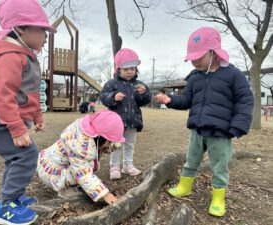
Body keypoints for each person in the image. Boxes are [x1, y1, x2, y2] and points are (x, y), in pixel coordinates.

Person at [155, 27, 254, 217]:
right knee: (191, 160)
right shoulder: (195, 77)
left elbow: (245, 100)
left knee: (220, 165)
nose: (194, 61)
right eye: (192, 57)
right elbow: (186, 100)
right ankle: (185, 186)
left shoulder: (233, 75)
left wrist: (237, 126)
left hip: (221, 132)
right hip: (197, 130)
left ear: (213, 52)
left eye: (199, 56)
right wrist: (170, 101)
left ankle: (218, 198)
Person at [0, 0, 56, 224]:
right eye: (42, 30)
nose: (46, 37)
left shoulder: (22, 53)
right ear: (21, 29)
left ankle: (13, 197)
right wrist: (17, 128)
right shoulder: (9, 55)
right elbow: (4, 95)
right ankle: (5, 209)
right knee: (25, 155)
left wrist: (37, 115)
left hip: (5, 121)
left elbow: (30, 92)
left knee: (16, 158)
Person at [37, 109, 125, 204]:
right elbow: (82, 172)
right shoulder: (79, 146)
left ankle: (75, 184)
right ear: (100, 137)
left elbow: (105, 146)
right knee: (84, 171)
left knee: (87, 169)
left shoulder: (89, 132)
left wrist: (114, 144)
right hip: (51, 172)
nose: (110, 145)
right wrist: (104, 194)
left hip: (55, 163)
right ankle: (64, 190)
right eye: (109, 142)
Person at [100, 48, 151, 180]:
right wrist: (113, 97)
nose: (129, 71)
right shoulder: (112, 83)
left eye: (132, 68)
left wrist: (143, 93)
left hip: (133, 120)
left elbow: (145, 101)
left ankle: (128, 165)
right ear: (118, 69)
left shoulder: (139, 85)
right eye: (126, 69)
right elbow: (103, 96)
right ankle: (114, 166)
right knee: (116, 144)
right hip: (116, 122)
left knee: (129, 144)